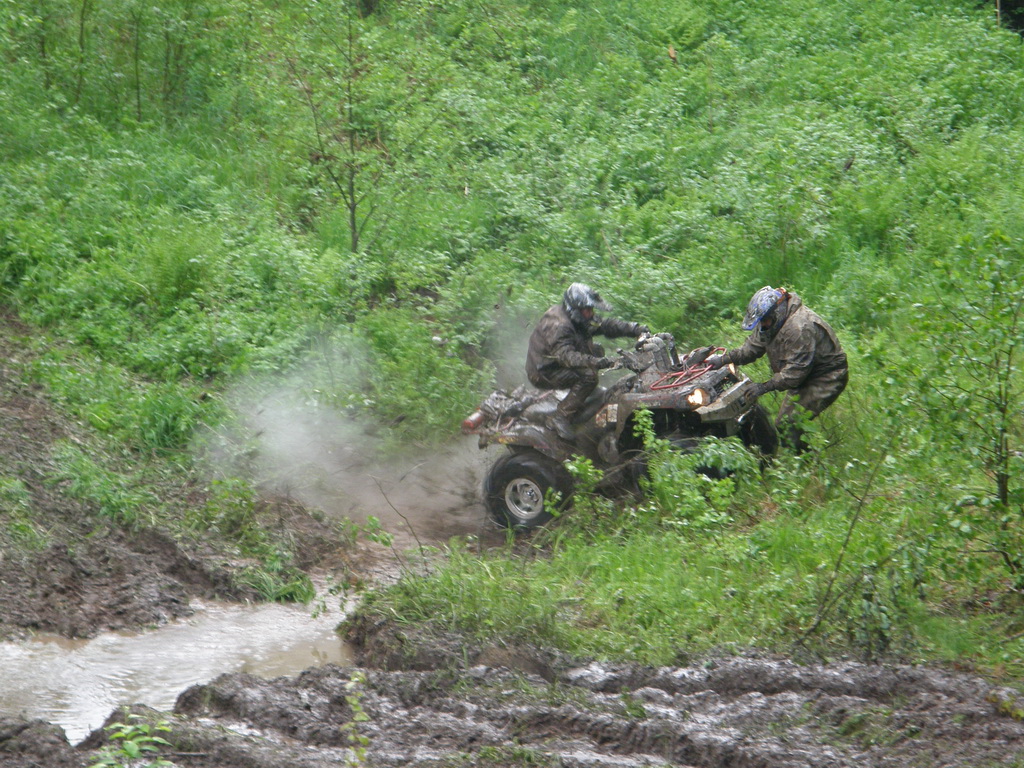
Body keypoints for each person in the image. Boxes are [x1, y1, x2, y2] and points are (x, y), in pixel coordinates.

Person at [706, 286, 848, 452]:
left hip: (826, 376)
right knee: (785, 425)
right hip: (804, 374)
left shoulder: (799, 327)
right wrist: (723, 359)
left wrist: (764, 387)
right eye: (762, 321)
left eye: (766, 320)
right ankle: (801, 458)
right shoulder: (770, 323)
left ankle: (806, 465)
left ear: (778, 312)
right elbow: (750, 350)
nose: (764, 324)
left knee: (789, 426)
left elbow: (794, 373)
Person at [526, 283, 649, 441]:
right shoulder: (560, 326)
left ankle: (584, 395)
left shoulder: (577, 318)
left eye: (591, 309)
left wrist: (635, 329)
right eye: (587, 310)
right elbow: (567, 357)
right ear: (575, 309)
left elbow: (605, 325)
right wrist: (601, 362)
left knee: (595, 350)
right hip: (543, 371)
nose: (590, 313)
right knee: (589, 375)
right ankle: (560, 417)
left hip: (555, 363)